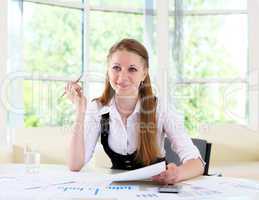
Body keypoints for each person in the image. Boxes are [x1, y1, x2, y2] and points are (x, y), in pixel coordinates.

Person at [66, 38, 204, 185]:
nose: (122, 77)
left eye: (132, 69)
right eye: (116, 68)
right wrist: (80, 110)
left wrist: (178, 174)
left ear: (144, 74)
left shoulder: (160, 108)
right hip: (118, 192)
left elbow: (197, 163)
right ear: (108, 70)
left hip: (155, 190)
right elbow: (75, 165)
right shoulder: (99, 109)